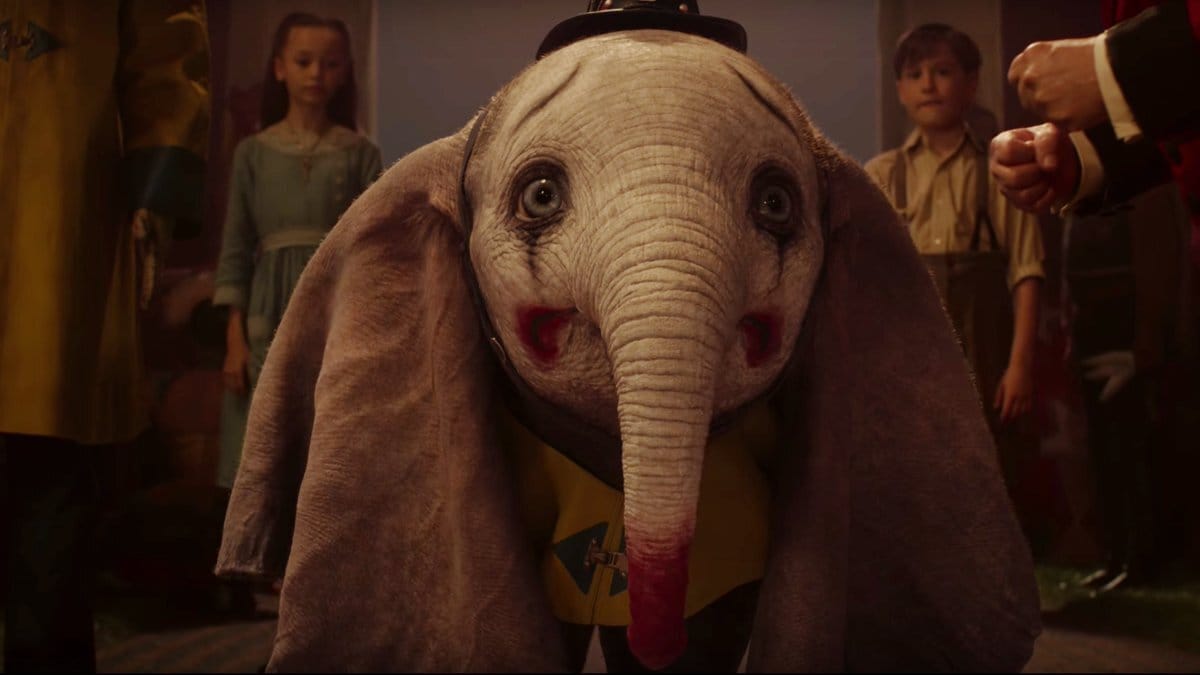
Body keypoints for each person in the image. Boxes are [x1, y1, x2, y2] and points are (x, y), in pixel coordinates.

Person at [0, 2, 210, 670]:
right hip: (58, 231)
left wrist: (155, 197)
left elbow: (166, 49)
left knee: (46, 483)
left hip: (58, 226)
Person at [865, 23, 1048, 550]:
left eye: (943, 71)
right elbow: (870, 284)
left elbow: (1026, 270)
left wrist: (1019, 366)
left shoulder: (1001, 169)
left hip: (984, 344)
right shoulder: (881, 176)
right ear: (900, 89)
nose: (928, 85)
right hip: (911, 351)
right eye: (915, 74)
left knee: (987, 460)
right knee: (916, 460)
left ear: (971, 83)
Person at [213, 13, 381, 491]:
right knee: (263, 445)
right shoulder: (253, 153)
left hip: (333, 311)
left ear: (345, 72)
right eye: (303, 61)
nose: (315, 74)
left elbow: (373, 253)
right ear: (279, 68)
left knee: (326, 438)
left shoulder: (360, 155)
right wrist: (235, 340)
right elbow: (235, 249)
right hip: (267, 311)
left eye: (330, 64)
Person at [1062, 182, 1193, 592]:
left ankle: (1141, 558)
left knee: (1134, 447)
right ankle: (1116, 554)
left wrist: (1144, 350)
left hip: (1130, 334)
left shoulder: (1147, 187)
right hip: (1093, 329)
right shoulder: (1084, 184)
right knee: (1103, 449)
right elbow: (1073, 259)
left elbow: (1161, 268)